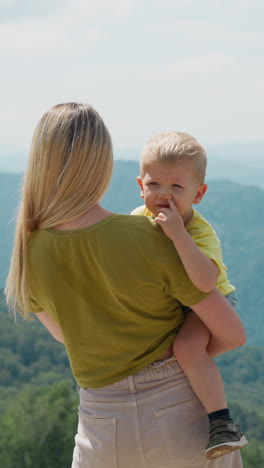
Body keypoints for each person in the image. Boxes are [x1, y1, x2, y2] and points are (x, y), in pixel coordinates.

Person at [5, 103, 246, 468]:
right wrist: (182, 358)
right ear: (103, 163)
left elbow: (64, 335)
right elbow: (232, 333)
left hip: (99, 428)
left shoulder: (27, 250)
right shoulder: (151, 236)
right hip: (179, 416)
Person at [131, 131, 248, 459]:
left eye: (177, 187)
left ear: (199, 194)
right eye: (154, 185)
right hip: (176, 304)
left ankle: (222, 422)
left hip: (212, 305)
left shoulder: (199, 231)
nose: (163, 195)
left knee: (186, 348)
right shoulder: (137, 221)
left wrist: (179, 235)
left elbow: (205, 281)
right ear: (140, 186)